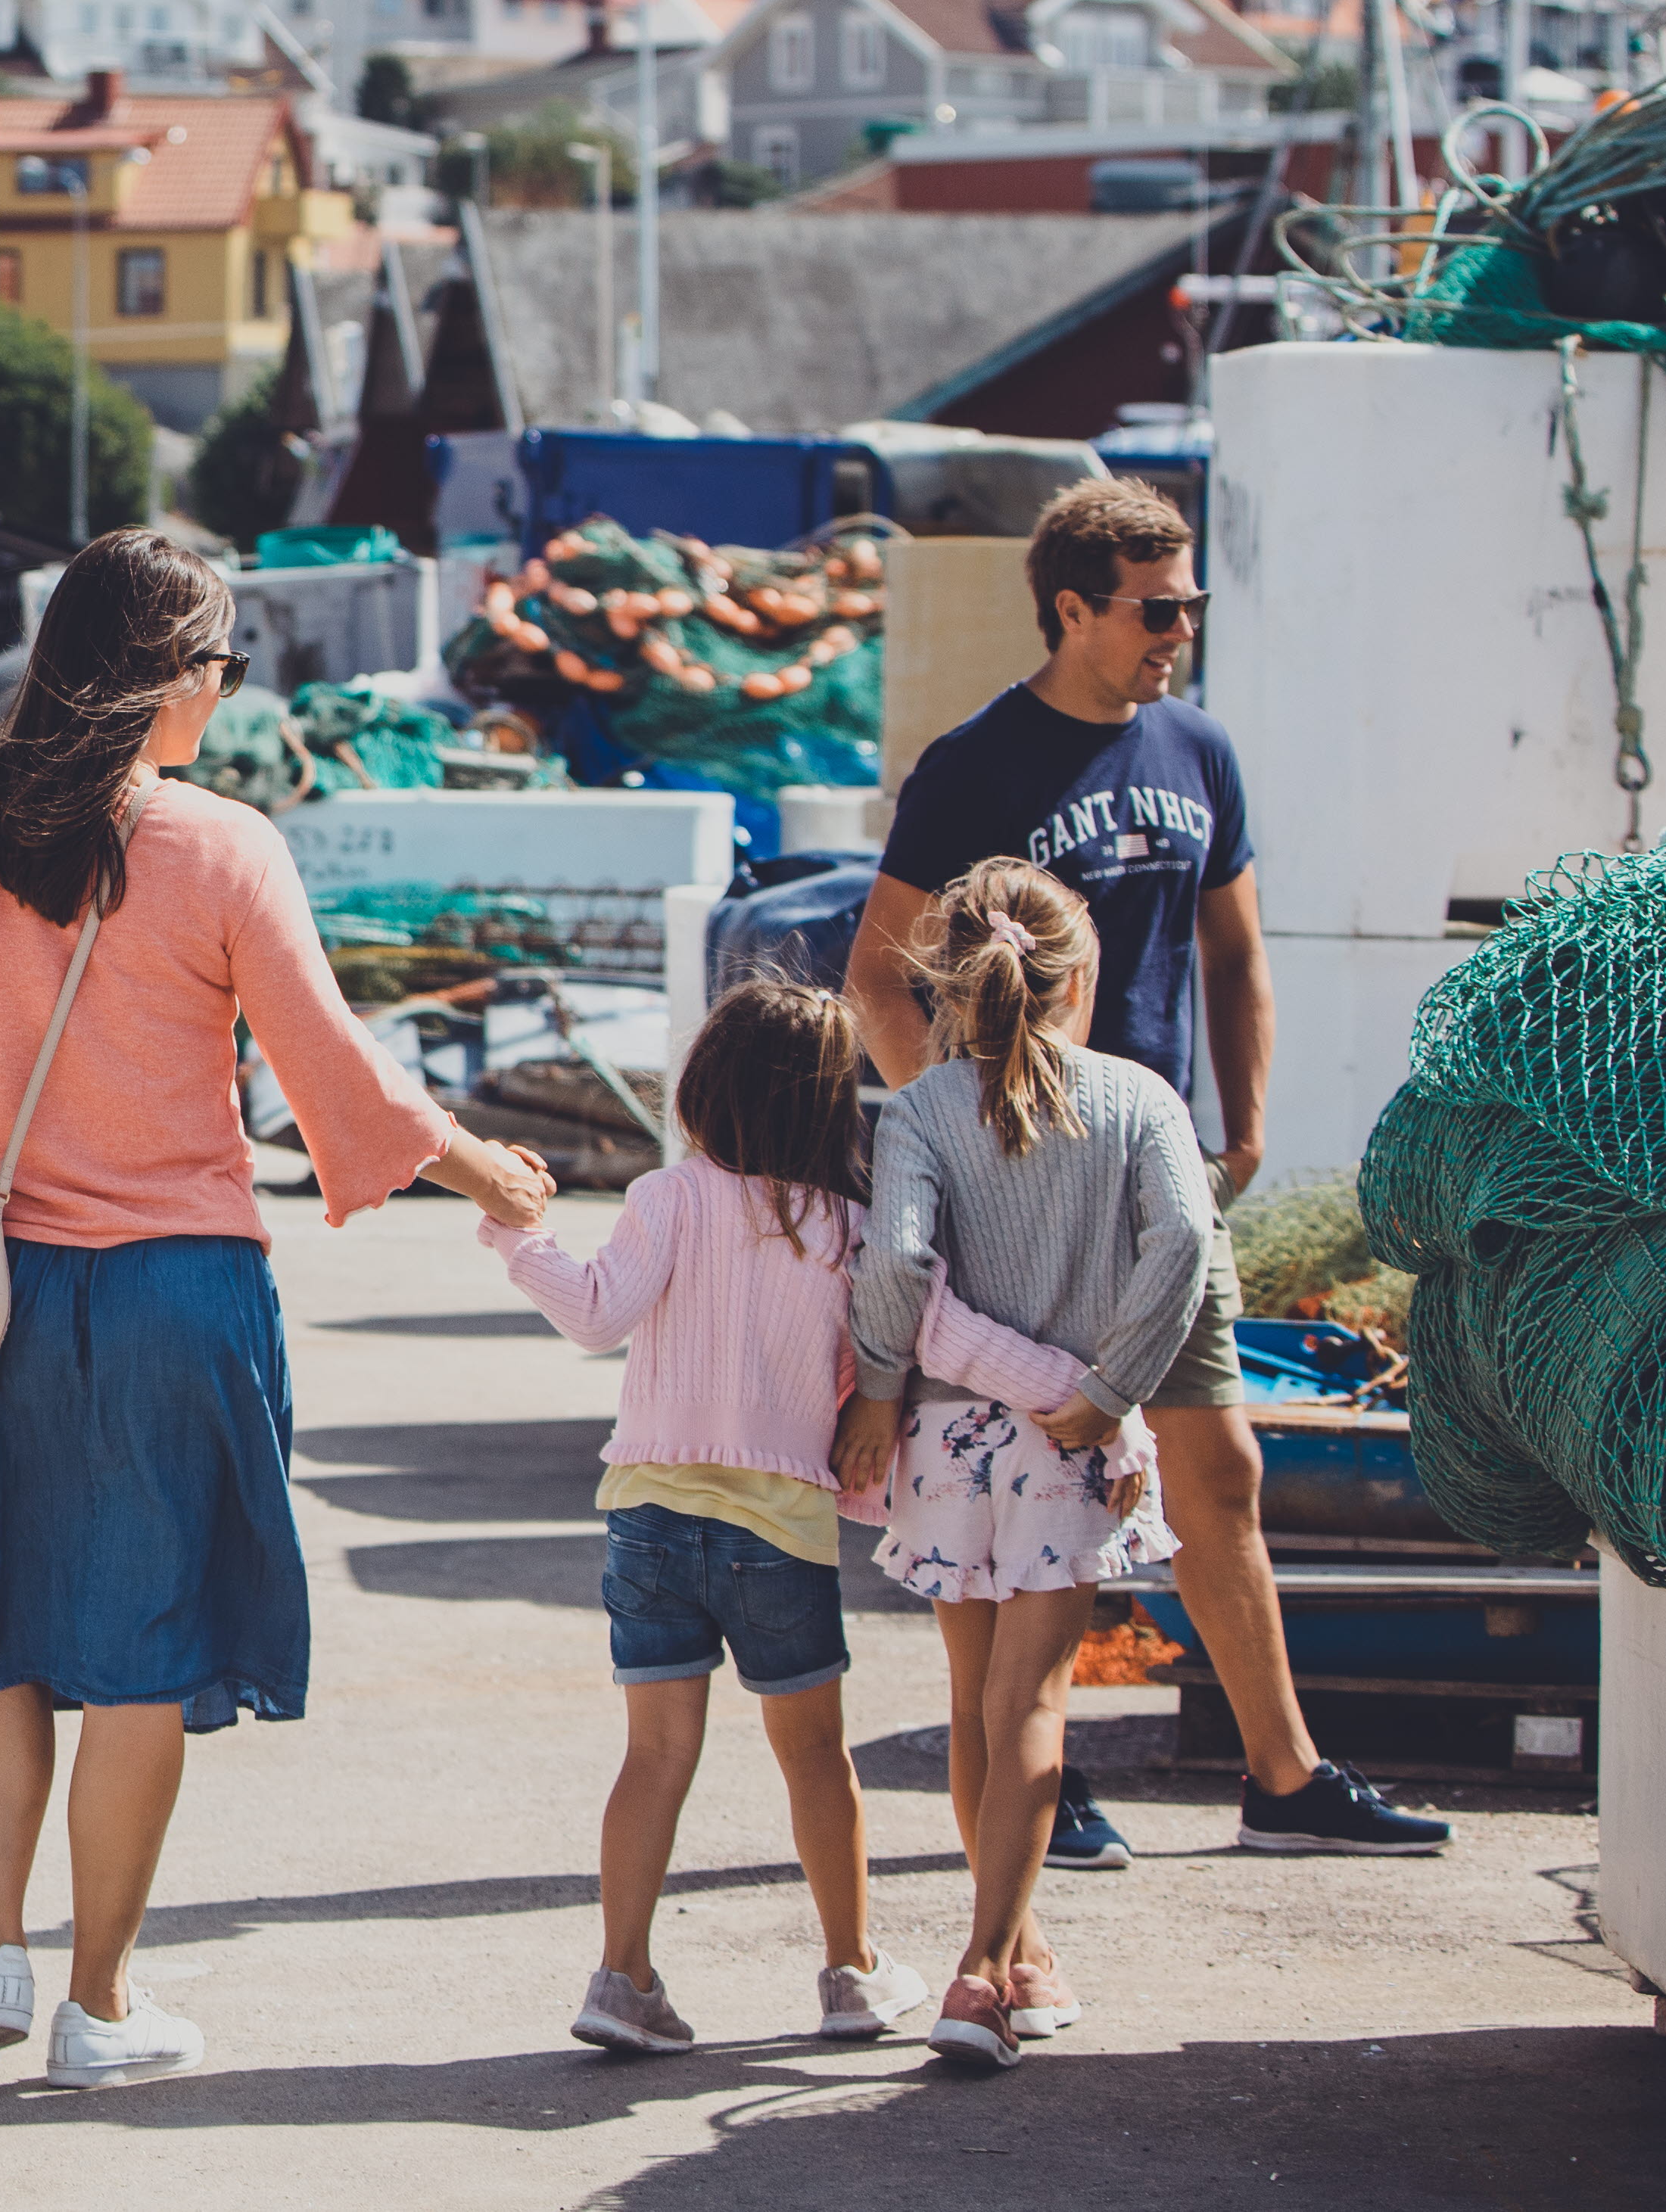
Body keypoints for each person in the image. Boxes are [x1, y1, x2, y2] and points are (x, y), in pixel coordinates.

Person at [0, 528, 556, 2093]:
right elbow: (328, 1070)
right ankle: (99, 1999)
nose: (225, 689)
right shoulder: (221, 845)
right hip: (174, 1292)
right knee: (143, 1642)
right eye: (220, 661)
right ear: (161, 674)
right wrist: (489, 1173)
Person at [845, 475, 1447, 1867]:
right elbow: (881, 970)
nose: (1179, 630)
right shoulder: (975, 766)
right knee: (1021, 1485)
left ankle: (1284, 1779)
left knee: (1215, 1462)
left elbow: (1235, 954)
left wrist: (1241, 1129)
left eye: (1189, 605)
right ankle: (1029, 1778)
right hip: (1028, 1190)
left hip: (1156, 1162)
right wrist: (960, 1109)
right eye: (1156, 607)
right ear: (1073, 607)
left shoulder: (1197, 749)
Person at [474, 976, 937, 2055]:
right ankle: (852, 1974)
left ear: (704, 1088)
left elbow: (595, 1316)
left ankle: (621, 1977)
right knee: (816, 1757)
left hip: (647, 1516)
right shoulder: (850, 1227)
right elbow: (894, 1347)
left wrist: (515, 1238)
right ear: (833, 1104)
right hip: (780, 1524)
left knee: (654, 1756)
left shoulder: (669, 1197)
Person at [836, 861, 1198, 2070]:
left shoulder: (926, 1108)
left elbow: (892, 1264)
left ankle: (1026, 1948)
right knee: (1034, 1702)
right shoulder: (1141, 1099)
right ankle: (984, 1970)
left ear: (951, 983)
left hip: (947, 1437)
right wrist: (1112, 1389)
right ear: (1079, 976)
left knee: (974, 1705)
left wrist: (880, 1393)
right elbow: (1187, 1241)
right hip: (1066, 1443)